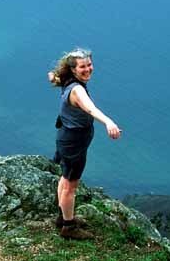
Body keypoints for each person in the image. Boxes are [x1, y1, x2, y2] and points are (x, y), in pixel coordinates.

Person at [48, 48, 121, 240]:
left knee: (65, 179)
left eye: (89, 64)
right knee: (71, 186)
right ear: (73, 69)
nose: (88, 69)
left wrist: (53, 77)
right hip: (73, 142)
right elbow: (90, 108)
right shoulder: (77, 89)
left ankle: (63, 217)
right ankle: (69, 227)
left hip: (67, 138)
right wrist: (108, 122)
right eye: (82, 66)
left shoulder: (67, 80)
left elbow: (54, 78)